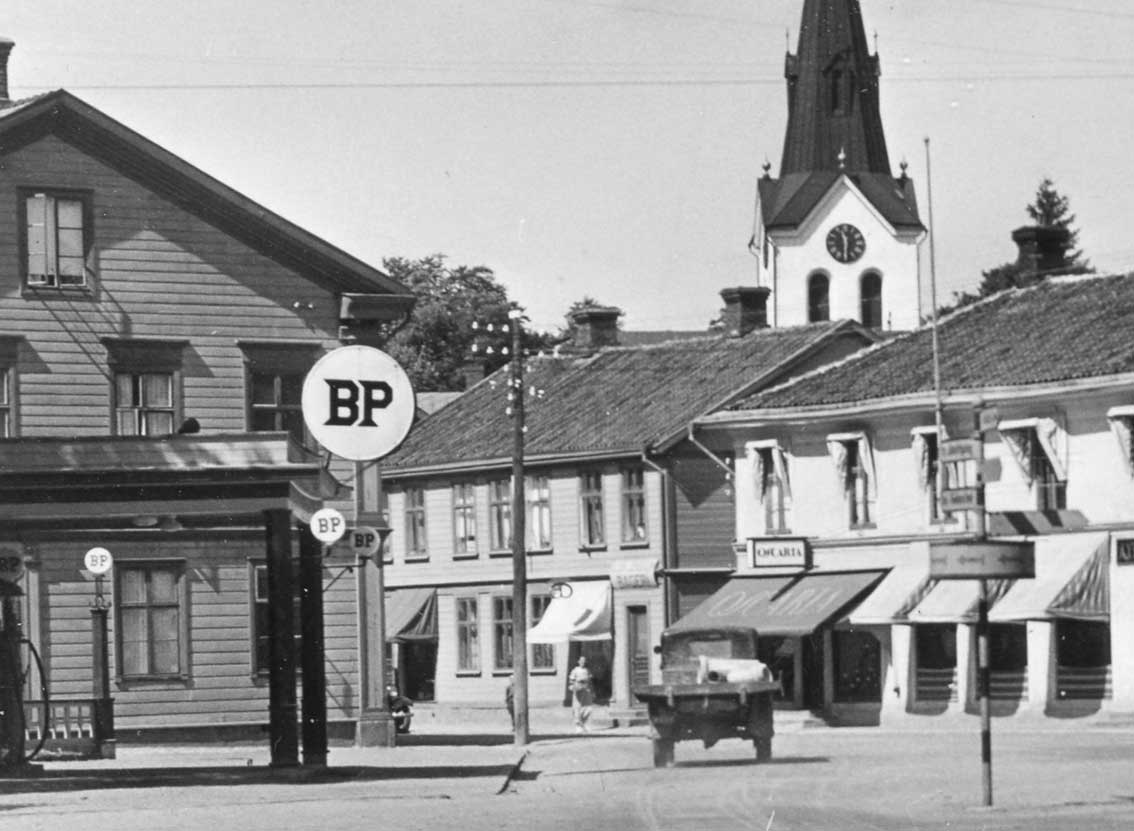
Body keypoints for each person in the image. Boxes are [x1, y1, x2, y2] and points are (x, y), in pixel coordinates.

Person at [567, 655, 594, 733]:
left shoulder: (587, 670)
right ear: (578, 662)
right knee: (577, 708)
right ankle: (578, 726)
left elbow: (590, 680)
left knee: (588, 707)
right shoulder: (575, 670)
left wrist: (591, 689)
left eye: (584, 661)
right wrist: (575, 685)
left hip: (586, 690)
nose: (583, 662)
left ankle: (584, 723)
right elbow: (571, 680)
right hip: (578, 689)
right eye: (581, 661)